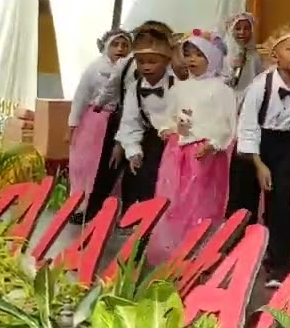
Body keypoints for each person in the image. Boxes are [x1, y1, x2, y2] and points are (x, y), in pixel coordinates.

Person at [233, 22, 290, 287]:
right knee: (243, 207)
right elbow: (247, 126)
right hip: (251, 148)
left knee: (282, 207)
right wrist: (259, 164)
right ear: (276, 55)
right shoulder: (260, 86)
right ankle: (238, 260)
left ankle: (278, 266)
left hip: (283, 145)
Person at [146, 30, 237, 265]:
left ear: (212, 58)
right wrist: (168, 128)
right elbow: (171, 115)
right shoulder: (179, 88)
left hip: (204, 154)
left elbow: (228, 124)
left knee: (201, 201)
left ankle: (200, 250)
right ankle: (172, 248)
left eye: (199, 55)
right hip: (178, 152)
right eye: (188, 55)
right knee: (175, 199)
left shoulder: (221, 90)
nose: (192, 60)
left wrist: (214, 143)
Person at [67, 28, 132, 223]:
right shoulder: (94, 69)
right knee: (87, 164)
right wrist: (72, 125)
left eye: (125, 45)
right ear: (106, 46)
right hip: (94, 120)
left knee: (111, 166)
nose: (120, 49)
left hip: (118, 120)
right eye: (115, 44)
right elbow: (81, 98)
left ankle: (107, 208)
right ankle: (80, 206)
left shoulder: (130, 70)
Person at [114, 28, 176, 208]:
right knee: (136, 177)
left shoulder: (178, 85)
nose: (146, 67)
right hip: (149, 138)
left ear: (166, 61)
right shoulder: (135, 87)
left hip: (174, 140)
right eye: (141, 62)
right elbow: (130, 121)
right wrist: (133, 150)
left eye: (152, 62)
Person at [224, 12, 264, 99]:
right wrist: (232, 68)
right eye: (238, 29)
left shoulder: (255, 56)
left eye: (246, 29)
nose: (242, 32)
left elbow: (260, 79)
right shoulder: (224, 54)